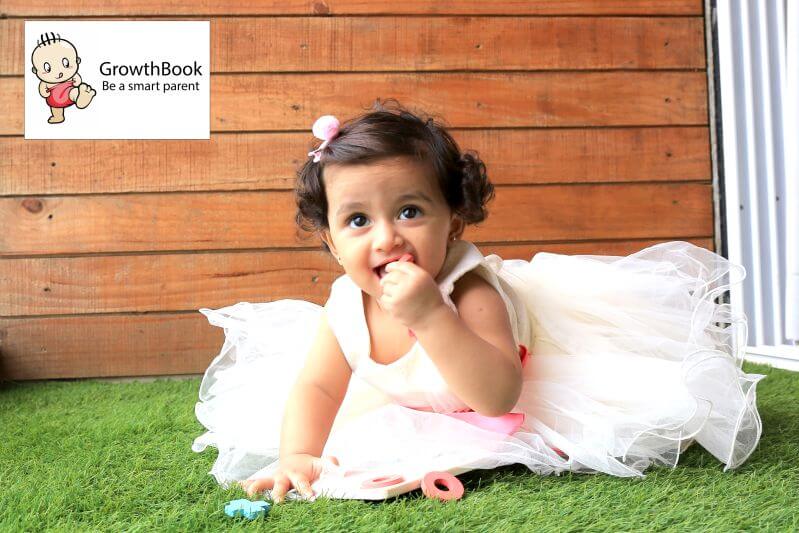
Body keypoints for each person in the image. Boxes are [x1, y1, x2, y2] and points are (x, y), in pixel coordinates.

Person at [192, 99, 765, 503]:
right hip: (423, 401)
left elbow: (495, 397)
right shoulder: (346, 305)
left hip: (506, 383)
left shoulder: (470, 291)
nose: (387, 238)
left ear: (453, 222)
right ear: (332, 242)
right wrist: (297, 454)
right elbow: (318, 388)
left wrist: (430, 316)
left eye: (410, 211)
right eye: (358, 220)